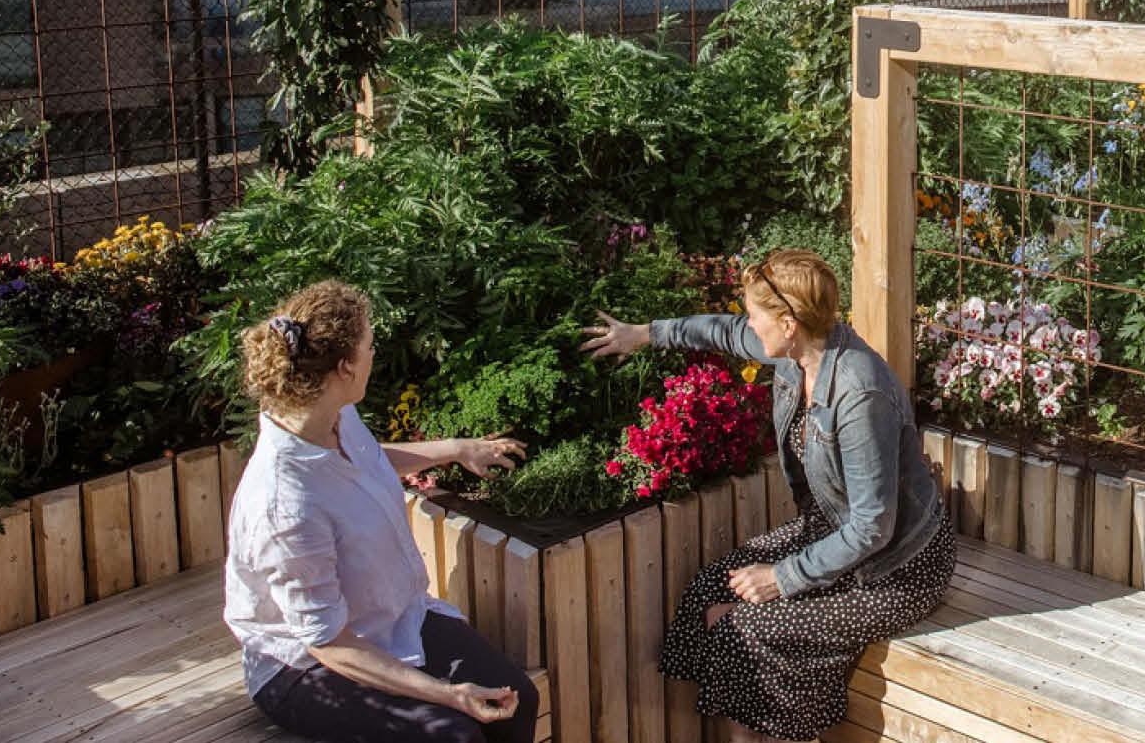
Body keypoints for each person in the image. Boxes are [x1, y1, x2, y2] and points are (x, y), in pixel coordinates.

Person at [582, 248, 953, 743]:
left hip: (897, 568)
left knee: (750, 628)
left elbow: (872, 527)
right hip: (832, 535)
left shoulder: (859, 395)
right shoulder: (796, 351)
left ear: (789, 322)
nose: (748, 325)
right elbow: (721, 331)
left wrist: (782, 576)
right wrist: (645, 333)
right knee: (710, 592)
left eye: (756, 316)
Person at [224, 280, 538, 743]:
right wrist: (446, 694)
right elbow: (326, 640)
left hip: (390, 618)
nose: (376, 353)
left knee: (519, 700)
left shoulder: (329, 415)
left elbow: (366, 457)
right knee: (454, 735)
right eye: (371, 345)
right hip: (304, 664)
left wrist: (456, 449)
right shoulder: (287, 505)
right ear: (345, 368)